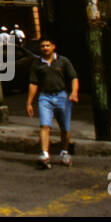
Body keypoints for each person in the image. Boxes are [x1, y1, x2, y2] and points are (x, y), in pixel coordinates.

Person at [26, 37, 79, 169]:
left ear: (53, 46)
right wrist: (29, 102)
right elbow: (33, 83)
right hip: (45, 97)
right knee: (45, 126)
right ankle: (45, 154)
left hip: (62, 96)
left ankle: (65, 152)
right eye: (43, 46)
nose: (45, 48)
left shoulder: (63, 61)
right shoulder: (37, 64)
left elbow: (73, 78)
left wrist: (74, 92)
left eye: (47, 45)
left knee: (65, 128)